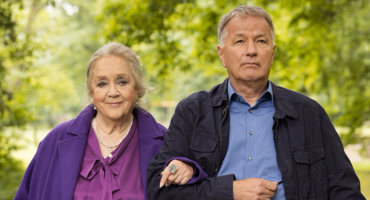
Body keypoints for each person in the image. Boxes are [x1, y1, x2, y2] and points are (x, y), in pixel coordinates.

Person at [146, 5, 365, 200]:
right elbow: (159, 190)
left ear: (272, 52)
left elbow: (345, 191)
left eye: (261, 40)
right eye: (240, 41)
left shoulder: (309, 113)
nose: (251, 50)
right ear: (222, 54)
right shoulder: (193, 111)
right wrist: (230, 191)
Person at [14, 43, 193, 200]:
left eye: (122, 82)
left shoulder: (165, 142)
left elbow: (194, 190)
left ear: (137, 88)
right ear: (91, 90)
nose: (113, 92)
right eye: (102, 84)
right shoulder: (55, 140)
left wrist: (190, 169)